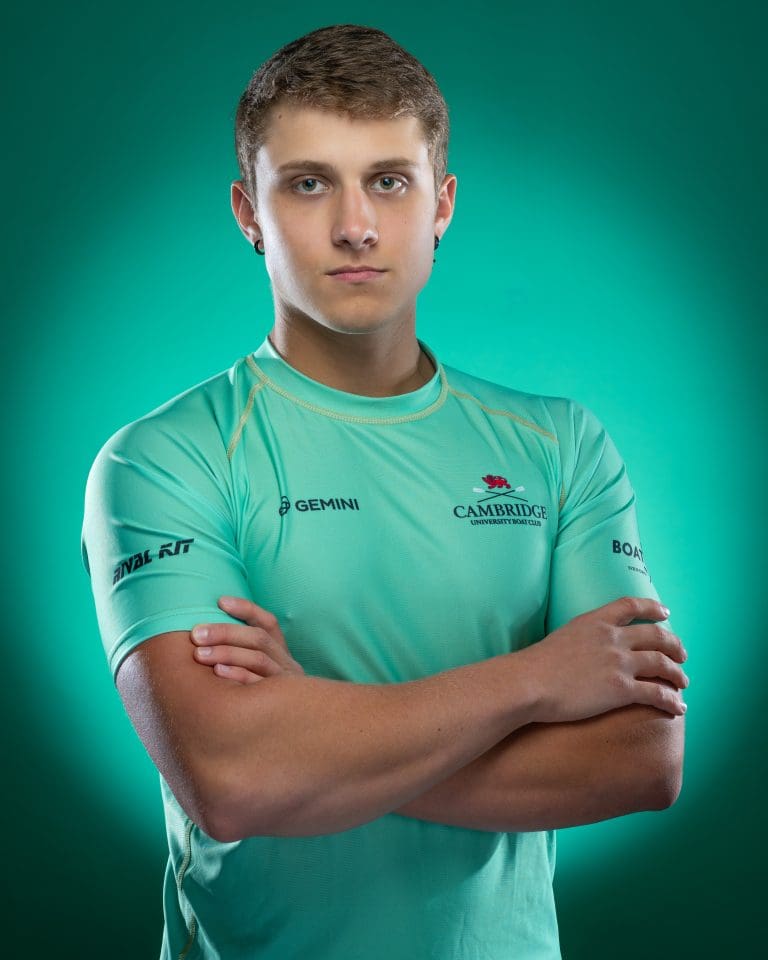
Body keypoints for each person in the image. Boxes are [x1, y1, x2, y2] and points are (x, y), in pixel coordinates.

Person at [80, 23, 688, 960]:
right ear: (248, 211)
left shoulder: (561, 444)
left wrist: (313, 736)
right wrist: (536, 679)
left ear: (441, 203)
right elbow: (233, 781)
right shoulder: (161, 460)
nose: (355, 226)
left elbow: (641, 760)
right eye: (309, 183)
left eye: (390, 181)